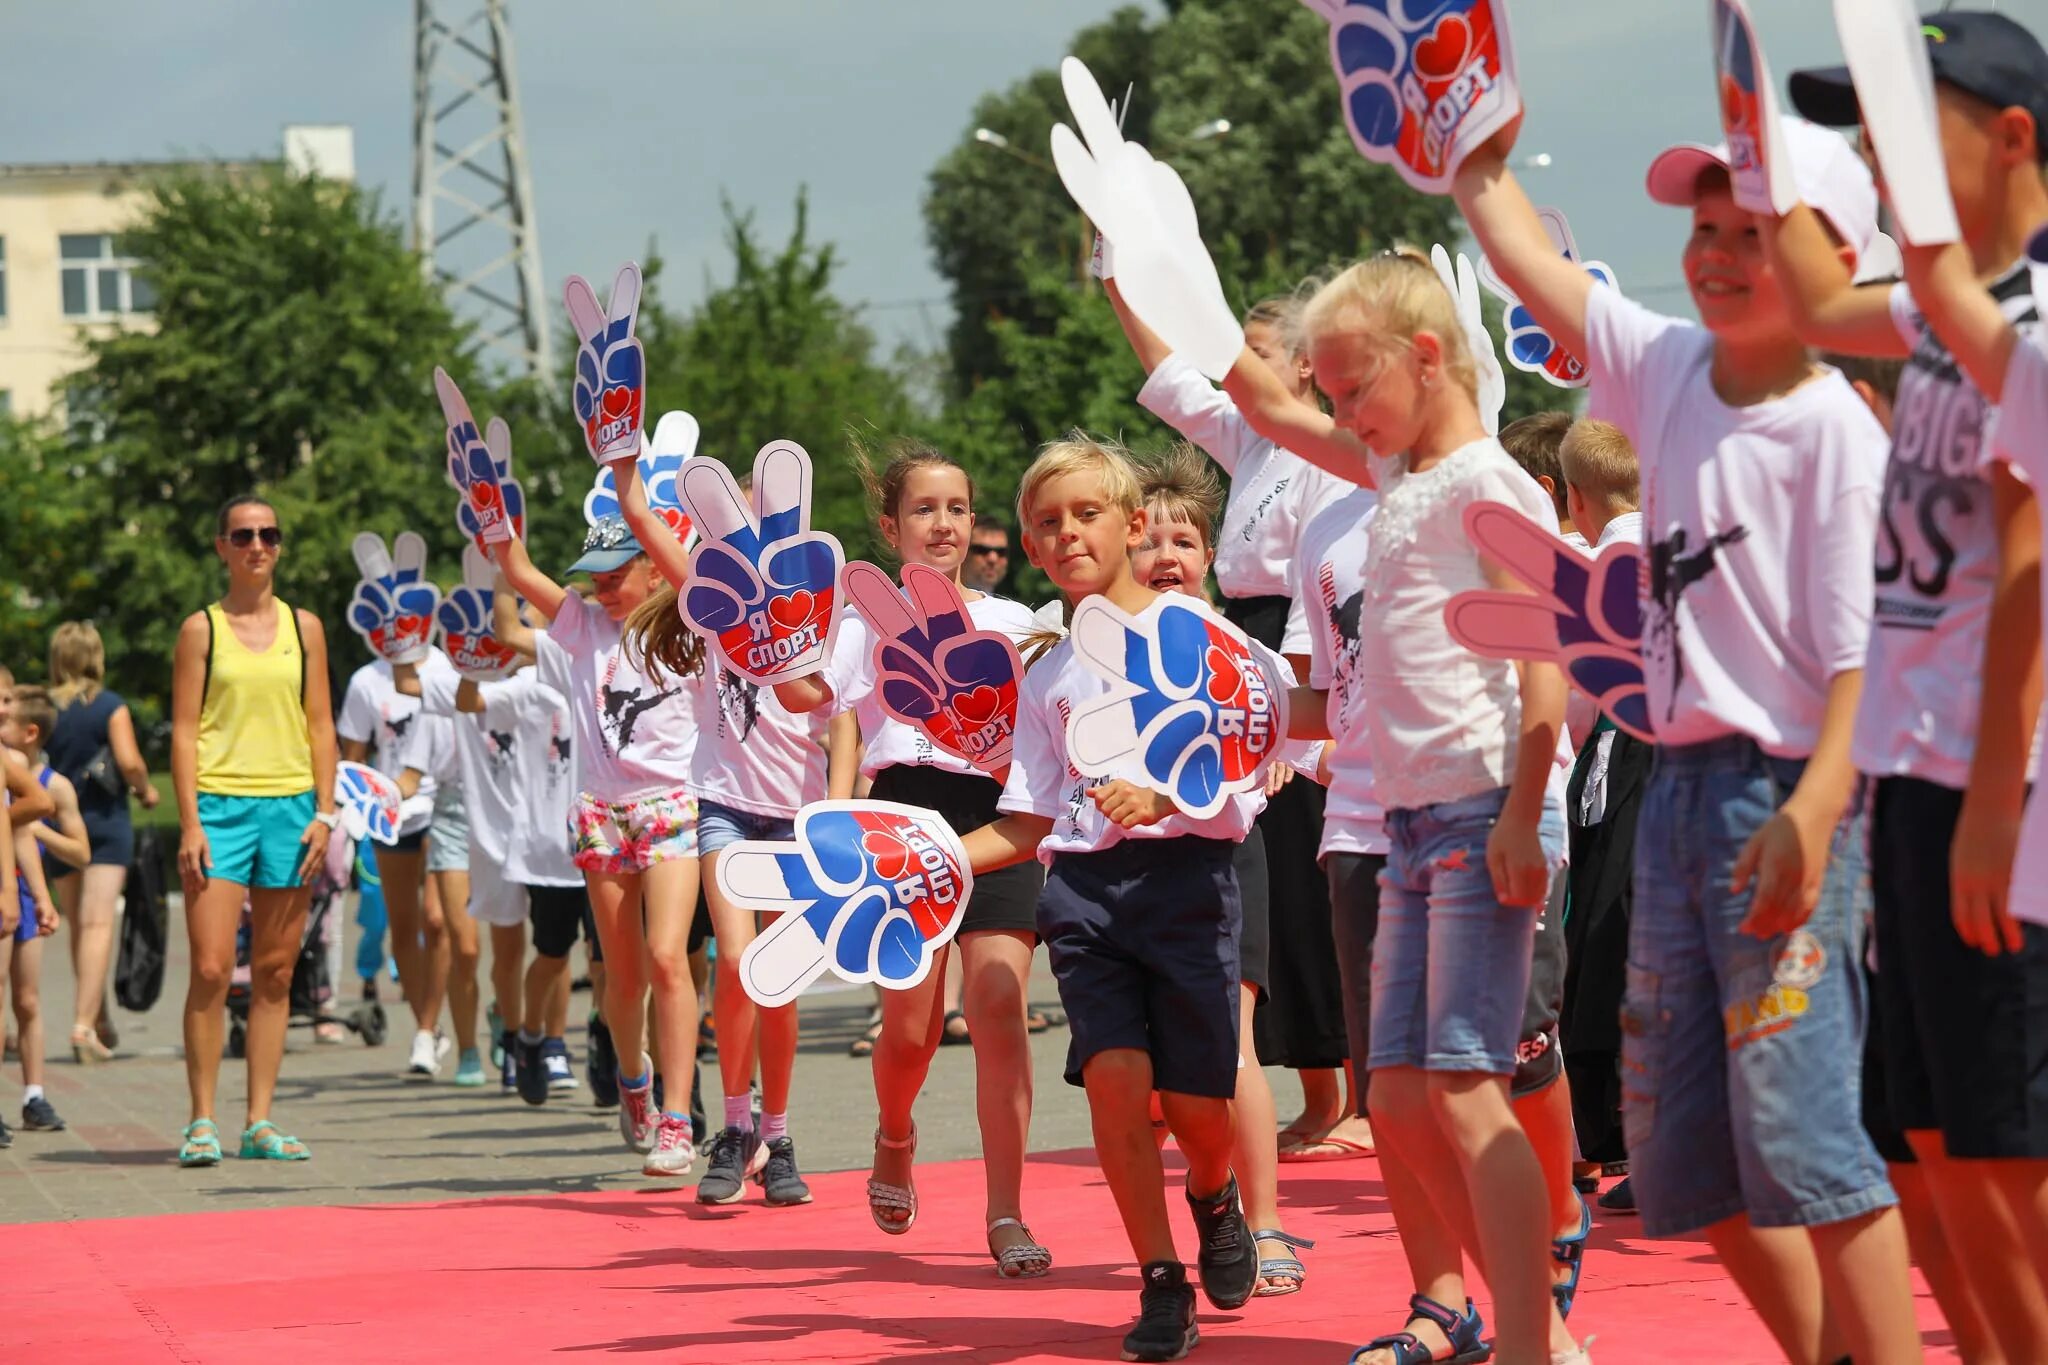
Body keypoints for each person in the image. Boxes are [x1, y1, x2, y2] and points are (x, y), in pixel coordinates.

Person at [1457, 107, 1918, 1363]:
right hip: (1672, 797)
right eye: (1702, 229)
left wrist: (1811, 817)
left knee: (1806, 1141)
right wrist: (1459, 135)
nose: (1711, 253)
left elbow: (1854, 660)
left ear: (1834, 259)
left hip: (1779, 796)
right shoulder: (1661, 368)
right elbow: (1518, 253)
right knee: (1675, 1158)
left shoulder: (1831, 431)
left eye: (1750, 234)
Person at [1762, 18, 2048, 1359]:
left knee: (2003, 1153)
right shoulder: (1943, 315)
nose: (1871, 148)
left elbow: (2037, 566)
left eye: (1898, 118)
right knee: (1927, 1142)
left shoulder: (2034, 320)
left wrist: (1998, 795)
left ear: (2010, 136)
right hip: (1917, 776)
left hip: (1999, 787)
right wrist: (1760, 139)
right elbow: (1817, 306)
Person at [959, 433, 1274, 1362]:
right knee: (1114, 1084)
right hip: (1086, 896)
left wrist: (1171, 795)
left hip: (1189, 883)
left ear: (1134, 524)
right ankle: (1160, 1279)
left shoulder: (1206, 637)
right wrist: (925, 859)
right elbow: (1025, 821)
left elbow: (1258, 769)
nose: (1065, 536)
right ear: (1027, 540)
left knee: (1196, 1104)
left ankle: (1216, 1196)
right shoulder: (1046, 674)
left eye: (1085, 514)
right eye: (1045, 524)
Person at [773, 438, 1049, 1274]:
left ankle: (1006, 1212)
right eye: (924, 510)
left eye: (958, 508)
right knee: (910, 1026)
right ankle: (895, 1133)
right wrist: (770, 647)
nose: (944, 525)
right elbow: (808, 696)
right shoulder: (862, 622)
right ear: (892, 526)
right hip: (899, 823)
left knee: (998, 1006)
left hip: (997, 822)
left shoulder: (1015, 623)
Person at [1108, 277, 1362, 1159]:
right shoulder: (1252, 437)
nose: (1233, 367)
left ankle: (1354, 1090)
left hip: (1299, 654)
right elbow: (1172, 376)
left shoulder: (1326, 453)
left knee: (1312, 884)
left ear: (1302, 364)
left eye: (1252, 352)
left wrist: (1288, 726)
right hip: (1241, 644)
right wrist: (1117, 280)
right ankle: (1321, 1091)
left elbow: (1314, 589)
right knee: (1283, 895)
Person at [614, 458, 846, 1207]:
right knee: (738, 961)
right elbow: (649, 526)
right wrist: (624, 464)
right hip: (723, 802)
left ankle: (775, 1136)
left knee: (777, 979)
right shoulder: (709, 599)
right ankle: (735, 1125)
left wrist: (834, 808)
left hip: (795, 812)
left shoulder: (822, 603)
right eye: (732, 524)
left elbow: (832, 707)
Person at [1136, 443, 1317, 1297]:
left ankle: (1266, 1220)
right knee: (1144, 1078)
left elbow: (1304, 725)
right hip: (1127, 878)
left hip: (1225, 857)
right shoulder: (1094, 643)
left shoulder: (1243, 646)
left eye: (1184, 540)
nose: (1165, 556)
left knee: (1233, 1043)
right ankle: (1190, 1226)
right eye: (1150, 540)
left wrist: (1278, 754)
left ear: (1210, 556)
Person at [492, 498, 704, 1176]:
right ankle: (633, 1080)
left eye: (617, 575)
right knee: (621, 972)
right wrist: (495, 521)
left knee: (669, 956)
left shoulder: (690, 622)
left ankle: (677, 1116)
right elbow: (518, 568)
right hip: (601, 813)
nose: (604, 588)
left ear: (650, 567)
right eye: (597, 577)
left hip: (672, 805)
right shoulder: (580, 627)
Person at [171, 495, 338, 1166]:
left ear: (280, 545)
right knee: (212, 967)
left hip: (291, 811)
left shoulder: (307, 627)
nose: (257, 544)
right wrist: (188, 821)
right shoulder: (200, 630)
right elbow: (183, 731)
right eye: (243, 534)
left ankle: (259, 1121)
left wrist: (326, 812)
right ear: (222, 547)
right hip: (218, 809)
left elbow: (320, 723)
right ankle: (201, 1120)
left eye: (268, 533)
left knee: (275, 971)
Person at [1552, 420, 1651, 1214]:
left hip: (1629, 763)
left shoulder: (1585, 569)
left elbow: (1580, 701)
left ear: (1573, 499)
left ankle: (1647, 1142)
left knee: (1618, 946)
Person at [338, 641, 458, 1080]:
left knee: (438, 920)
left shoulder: (448, 665)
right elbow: (352, 758)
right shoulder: (365, 681)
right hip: (393, 812)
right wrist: (348, 813)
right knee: (403, 925)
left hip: (442, 804)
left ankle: (426, 1032)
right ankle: (428, 1026)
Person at [42, 620, 158, 1061]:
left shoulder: (44, 708)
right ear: (95, 657)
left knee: (79, 927)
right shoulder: (109, 705)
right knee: (97, 925)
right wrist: (146, 790)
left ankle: (99, 1019)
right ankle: (82, 1025)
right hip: (105, 824)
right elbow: (129, 762)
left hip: (58, 828)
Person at [1, 684, 82, 1134]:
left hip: (13, 891)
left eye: (7, 701)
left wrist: (40, 895)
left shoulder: (12, 766)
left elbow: (24, 828)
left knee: (26, 998)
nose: (3, 708)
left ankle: (35, 1095)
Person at [963, 518, 1013, 594]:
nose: (993, 559)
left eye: (1001, 552)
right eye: (982, 550)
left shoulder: (1012, 606)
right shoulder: (940, 603)